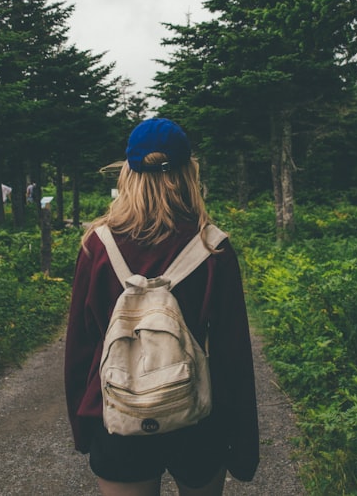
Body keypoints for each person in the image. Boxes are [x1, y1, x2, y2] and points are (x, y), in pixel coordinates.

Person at [64, 118, 259, 496]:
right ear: (188, 173)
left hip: (119, 415)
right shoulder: (213, 248)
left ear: (128, 174)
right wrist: (242, 445)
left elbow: (81, 346)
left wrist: (83, 424)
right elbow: (232, 355)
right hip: (198, 417)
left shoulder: (97, 246)